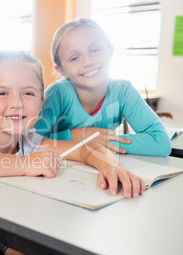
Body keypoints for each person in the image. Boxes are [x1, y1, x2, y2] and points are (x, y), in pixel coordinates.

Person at [0, 50, 144, 255]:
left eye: (28, 94)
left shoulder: (31, 141)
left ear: (41, 103)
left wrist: (111, 166)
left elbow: (86, 149)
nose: (17, 103)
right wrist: (26, 164)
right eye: (3, 93)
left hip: (1, 237)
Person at [34, 18, 171, 157]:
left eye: (95, 50)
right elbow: (28, 142)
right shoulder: (58, 94)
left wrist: (96, 143)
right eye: (74, 58)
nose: (88, 62)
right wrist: (77, 136)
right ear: (62, 70)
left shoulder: (123, 92)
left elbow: (160, 142)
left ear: (110, 51)